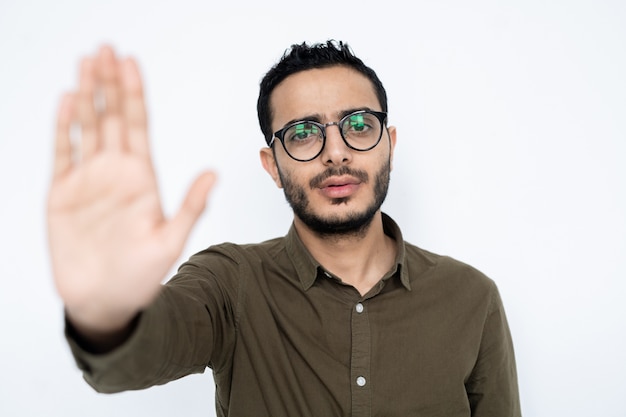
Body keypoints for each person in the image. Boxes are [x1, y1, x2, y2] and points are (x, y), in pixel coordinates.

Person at [48, 40, 521, 417]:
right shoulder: (230, 281)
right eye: (302, 133)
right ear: (272, 166)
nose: (335, 152)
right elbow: (130, 362)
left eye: (358, 125)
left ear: (388, 145)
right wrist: (106, 312)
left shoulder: (472, 297)